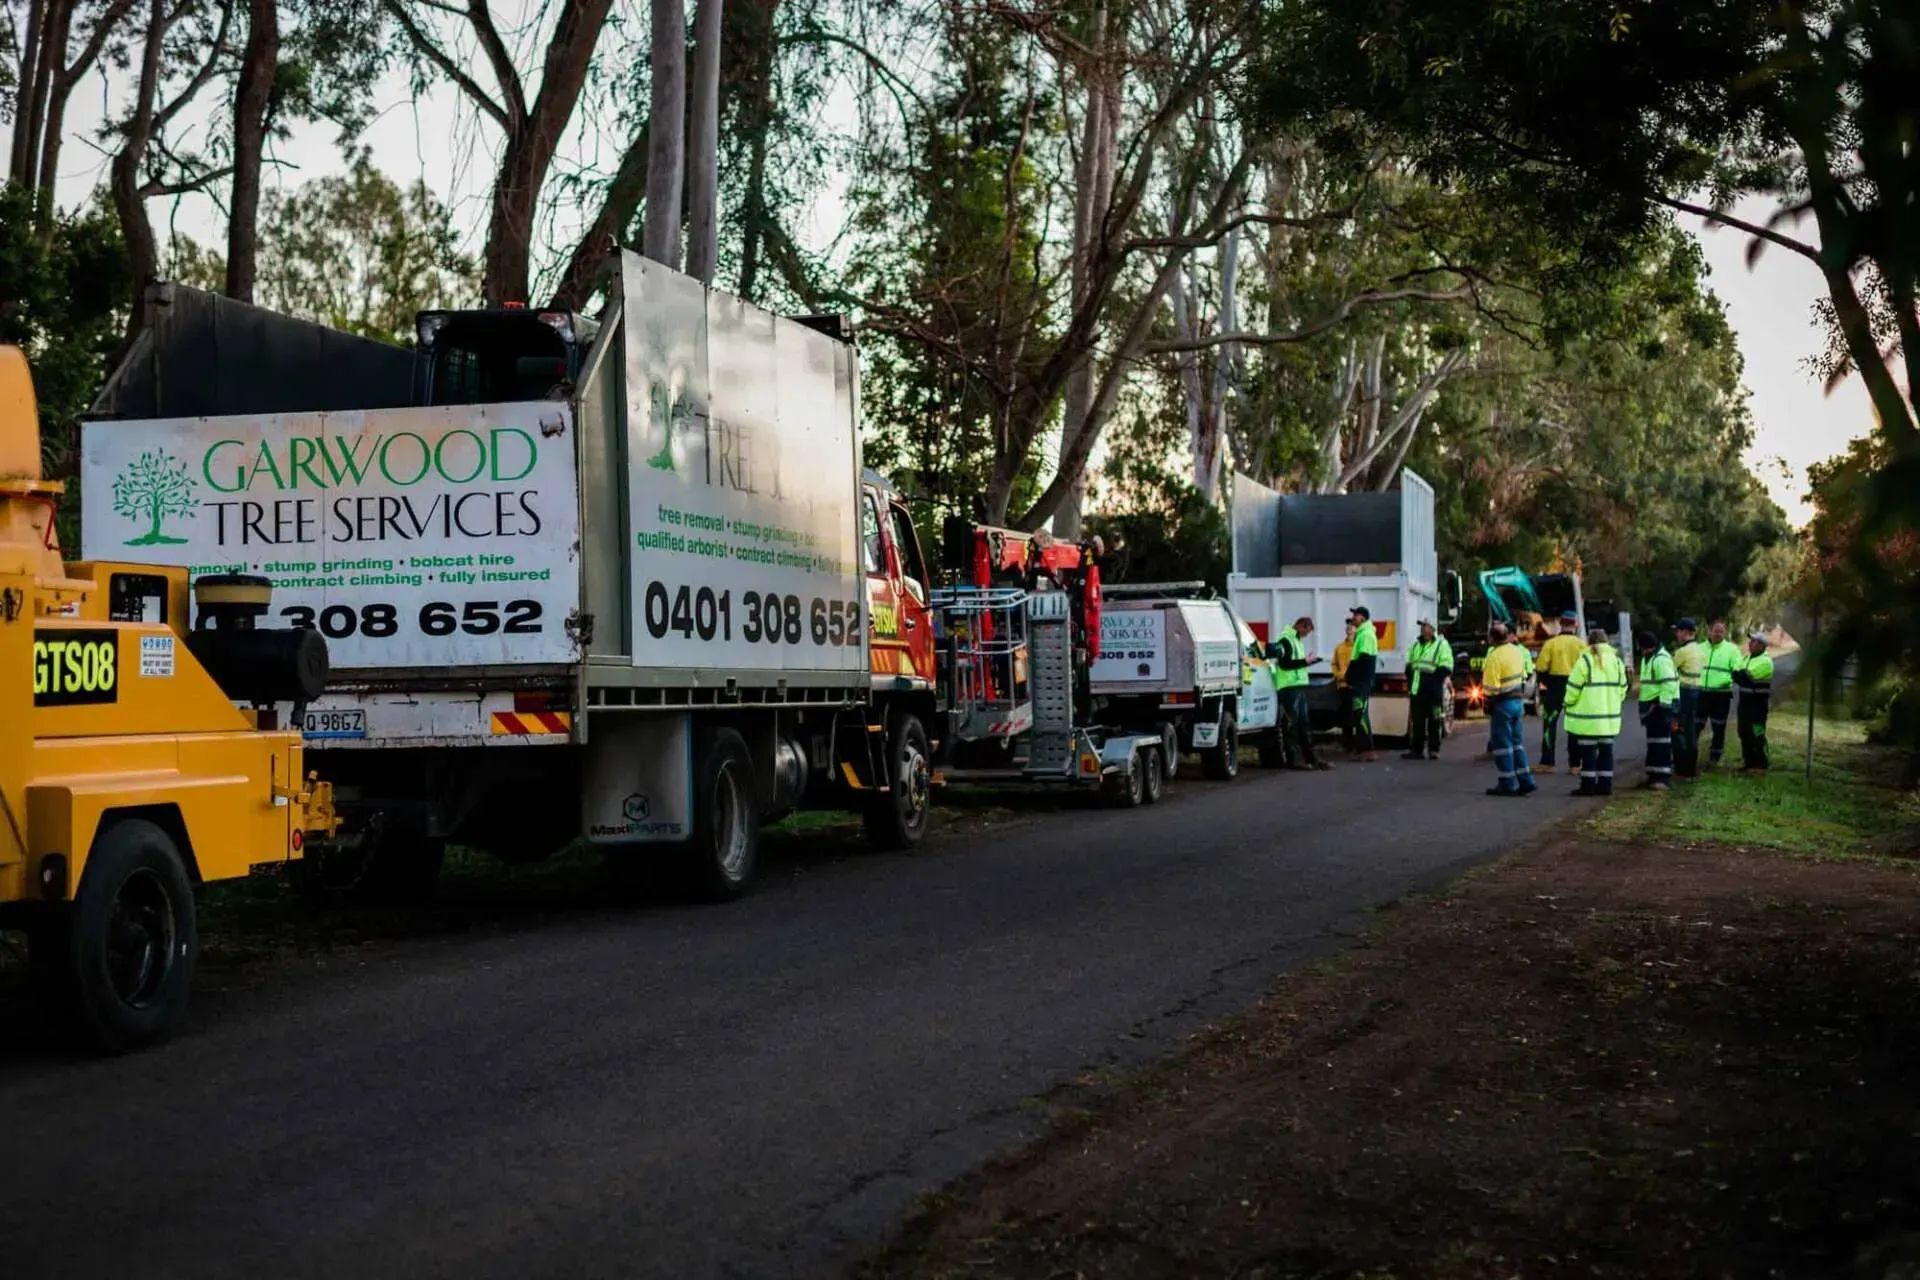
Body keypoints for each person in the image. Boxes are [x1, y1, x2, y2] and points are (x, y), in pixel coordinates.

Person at [1564, 626, 1628, 797]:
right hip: (1609, 720)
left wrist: (1568, 703)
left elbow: (1573, 688)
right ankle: (1605, 785)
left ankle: (1588, 786)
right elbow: (1623, 689)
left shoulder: (1585, 661)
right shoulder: (1617, 662)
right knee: (1606, 752)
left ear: (1589, 643)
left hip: (1587, 720)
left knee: (1588, 754)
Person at [1482, 621, 1538, 797]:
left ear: (1492, 638)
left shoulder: (1494, 656)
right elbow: (1523, 675)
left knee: (1503, 745)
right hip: (1517, 702)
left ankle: (1507, 782)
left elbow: (1491, 688)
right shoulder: (1517, 651)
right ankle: (1526, 780)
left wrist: (1487, 703)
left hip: (1502, 704)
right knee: (1517, 744)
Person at [1269, 616, 1330, 771]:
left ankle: (1310, 758)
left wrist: (1307, 661)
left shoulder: (1295, 640)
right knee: (1292, 725)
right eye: (1307, 632)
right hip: (1289, 687)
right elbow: (1284, 664)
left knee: (1304, 724)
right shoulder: (1286, 639)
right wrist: (1305, 662)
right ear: (1301, 626)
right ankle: (1295, 760)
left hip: (1297, 685)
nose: (1306, 635)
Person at [1535, 611, 1588, 775]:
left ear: (1560, 624)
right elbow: (1587, 669)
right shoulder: (1581, 645)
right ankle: (1575, 764)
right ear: (1575, 626)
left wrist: (1549, 684)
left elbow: (1540, 668)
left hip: (1556, 686)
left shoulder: (1551, 643)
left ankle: (1547, 762)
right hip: (1576, 687)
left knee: (1549, 724)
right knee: (1574, 725)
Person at [1635, 629, 1680, 791]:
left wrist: (1664, 705)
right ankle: (1653, 776)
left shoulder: (1661, 660)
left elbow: (1669, 683)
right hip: (1652, 706)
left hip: (1660, 706)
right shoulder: (1649, 658)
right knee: (1654, 742)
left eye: (1642, 648)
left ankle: (1662, 778)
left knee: (1662, 742)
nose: (1641, 651)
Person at [1403, 619, 1454, 760]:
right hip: (1416, 688)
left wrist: (1434, 680)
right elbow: (1410, 664)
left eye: (1425, 626)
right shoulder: (1415, 645)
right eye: (1422, 627)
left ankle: (1434, 749)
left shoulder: (1441, 645)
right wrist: (1410, 677)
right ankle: (1417, 750)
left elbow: (1447, 666)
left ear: (1432, 629)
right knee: (1417, 721)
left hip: (1433, 690)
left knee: (1434, 720)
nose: (1423, 629)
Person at [1699, 618, 1744, 767]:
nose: (1718, 634)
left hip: (1721, 695)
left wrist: (1736, 674)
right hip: (1700, 694)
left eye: (1721, 631)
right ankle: (1690, 755)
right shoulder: (1699, 648)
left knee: (1719, 727)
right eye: (1716, 631)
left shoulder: (1732, 650)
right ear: (1709, 631)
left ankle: (1715, 757)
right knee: (1695, 725)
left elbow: (1738, 667)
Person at [1733, 630, 1775, 772]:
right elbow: (1735, 674)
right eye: (1750, 641)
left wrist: (1740, 674)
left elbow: (1746, 676)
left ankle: (1761, 763)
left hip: (1758, 706)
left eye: (1754, 641)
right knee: (1743, 732)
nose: (1750, 643)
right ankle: (1749, 763)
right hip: (1744, 703)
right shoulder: (1746, 658)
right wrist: (1739, 675)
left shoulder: (1766, 661)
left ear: (1761, 645)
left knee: (1757, 733)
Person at [1671, 618, 1705, 780]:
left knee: (1679, 730)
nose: (1677, 634)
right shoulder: (1699, 650)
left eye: (1678, 631)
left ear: (1686, 633)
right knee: (1691, 730)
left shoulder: (1682, 652)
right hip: (1696, 692)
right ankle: (1691, 768)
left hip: (1683, 692)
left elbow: (1670, 670)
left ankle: (1682, 769)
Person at [1345, 606, 1379, 762]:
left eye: (1356, 615)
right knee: (1359, 714)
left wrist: (1352, 675)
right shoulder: (1363, 633)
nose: (1353, 617)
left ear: (1363, 618)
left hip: (1362, 682)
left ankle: (1367, 750)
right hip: (1361, 681)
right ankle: (1363, 749)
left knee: (1361, 715)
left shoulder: (1365, 634)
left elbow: (1363, 660)